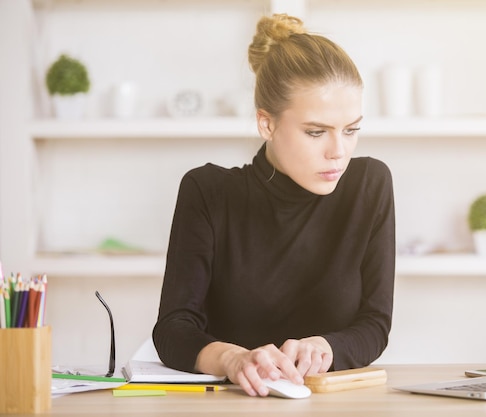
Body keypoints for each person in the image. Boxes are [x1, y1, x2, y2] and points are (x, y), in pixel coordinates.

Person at [153, 13, 396, 397]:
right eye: (316, 132)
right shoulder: (208, 191)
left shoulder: (370, 185)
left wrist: (326, 347)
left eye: (351, 130)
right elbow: (172, 329)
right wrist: (231, 359)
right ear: (266, 124)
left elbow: (375, 323)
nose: (339, 152)